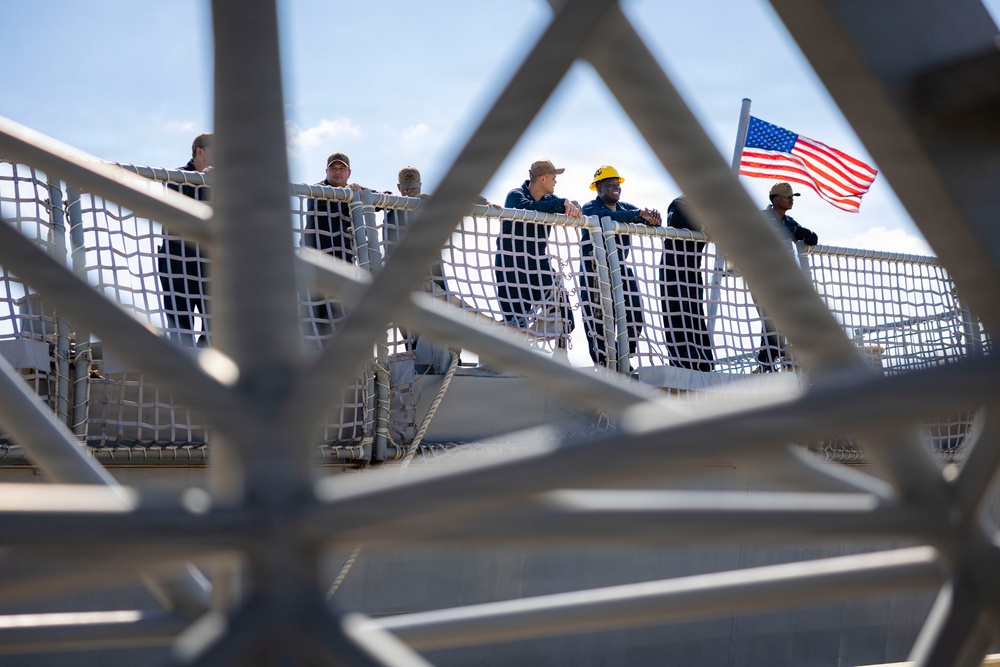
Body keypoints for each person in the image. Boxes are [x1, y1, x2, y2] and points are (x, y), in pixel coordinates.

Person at [579, 165, 661, 368]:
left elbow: (645, 220)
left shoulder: (626, 208)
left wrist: (653, 218)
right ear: (598, 189)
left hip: (621, 271)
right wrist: (639, 214)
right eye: (609, 185)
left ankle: (621, 360)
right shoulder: (589, 207)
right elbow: (607, 219)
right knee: (598, 324)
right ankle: (605, 366)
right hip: (594, 272)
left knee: (635, 317)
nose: (615, 188)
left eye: (617, 185)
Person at [494, 160, 581, 340]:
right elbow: (529, 208)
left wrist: (573, 205)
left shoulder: (550, 200)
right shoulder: (515, 196)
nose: (555, 182)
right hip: (512, 270)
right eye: (553, 178)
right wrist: (562, 203)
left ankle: (560, 354)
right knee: (514, 323)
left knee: (564, 314)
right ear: (542, 179)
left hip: (538, 267)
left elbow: (562, 204)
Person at [302, 152, 368, 340]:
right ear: (327, 171)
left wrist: (360, 191)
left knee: (341, 320)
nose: (337, 173)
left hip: (343, 268)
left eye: (341, 169)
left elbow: (381, 198)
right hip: (317, 268)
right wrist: (352, 193)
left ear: (349, 172)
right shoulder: (317, 190)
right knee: (315, 317)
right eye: (333, 168)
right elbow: (325, 194)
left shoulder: (354, 191)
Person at [157, 132, 212, 347]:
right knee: (181, 330)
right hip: (176, 263)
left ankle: (202, 364)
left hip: (210, 264)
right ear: (200, 151)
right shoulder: (176, 176)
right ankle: (190, 368)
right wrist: (204, 182)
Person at [756, 181, 819, 372]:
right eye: (787, 196)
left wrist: (805, 234)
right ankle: (767, 362)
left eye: (792, 197)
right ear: (775, 199)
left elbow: (812, 238)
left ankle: (767, 362)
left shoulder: (789, 221)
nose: (791, 200)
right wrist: (792, 233)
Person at [659, 195, 714, 372]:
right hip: (672, 271)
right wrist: (704, 226)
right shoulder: (680, 203)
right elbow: (677, 219)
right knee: (677, 316)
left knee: (696, 317)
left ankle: (705, 365)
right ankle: (681, 365)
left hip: (692, 273)